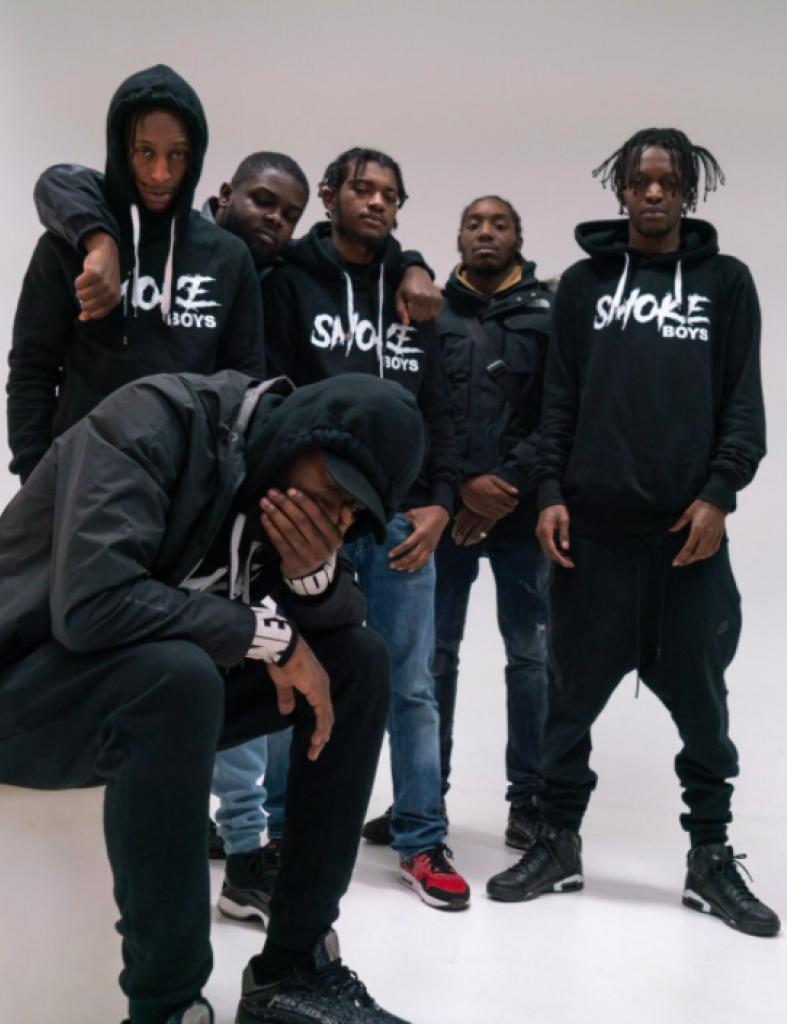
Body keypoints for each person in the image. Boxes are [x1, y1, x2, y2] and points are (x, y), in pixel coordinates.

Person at [0, 369, 425, 1024]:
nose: (334, 516)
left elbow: (342, 614)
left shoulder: (286, 491)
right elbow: (92, 605)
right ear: (301, 434)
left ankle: (293, 969)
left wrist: (310, 578)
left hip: (140, 701)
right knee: (178, 674)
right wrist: (266, 635)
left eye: (354, 511)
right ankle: (165, 1005)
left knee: (358, 662)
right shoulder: (153, 422)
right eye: (334, 487)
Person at [29, 143, 442, 922]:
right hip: (122, 468)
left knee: (337, 654)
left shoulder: (264, 276)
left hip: (233, 466)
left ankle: (270, 883)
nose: (274, 220)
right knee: (207, 654)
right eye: (262, 202)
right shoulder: (154, 240)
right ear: (221, 193)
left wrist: (308, 566)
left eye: (287, 213)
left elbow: (255, 372)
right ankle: (187, 923)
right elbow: (62, 189)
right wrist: (101, 241)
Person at [486, 128, 781, 939]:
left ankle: (710, 859)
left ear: (689, 191)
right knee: (566, 707)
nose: (654, 193)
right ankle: (557, 842)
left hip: (687, 545)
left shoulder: (726, 282)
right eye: (641, 181)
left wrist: (719, 494)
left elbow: (743, 405)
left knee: (706, 715)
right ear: (620, 189)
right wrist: (549, 492)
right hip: (591, 544)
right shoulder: (583, 285)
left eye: (669, 181)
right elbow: (558, 404)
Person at [263, 147, 469, 911]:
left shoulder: (416, 296)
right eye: (363, 189)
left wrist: (442, 501)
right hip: (311, 513)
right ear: (329, 196)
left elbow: (441, 408)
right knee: (287, 671)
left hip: (400, 521)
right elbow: (272, 392)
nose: (377, 202)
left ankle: (422, 838)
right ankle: (280, 833)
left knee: (412, 683)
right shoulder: (289, 282)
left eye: (390, 194)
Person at [6, 64, 264, 485]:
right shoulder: (66, 248)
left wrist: (221, 489)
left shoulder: (229, 258)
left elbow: (246, 387)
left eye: (176, 154)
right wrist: (36, 479)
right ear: (121, 150)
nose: (160, 174)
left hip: (188, 493)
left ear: (195, 156)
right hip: (81, 483)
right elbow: (32, 371)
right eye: (145, 152)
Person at [428, 195, 552, 851]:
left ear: (517, 239)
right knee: (433, 658)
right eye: (474, 223)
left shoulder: (547, 314)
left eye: (499, 224)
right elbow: (422, 408)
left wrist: (503, 486)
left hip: (521, 514)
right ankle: (424, 800)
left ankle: (529, 802)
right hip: (446, 514)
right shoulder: (430, 311)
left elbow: (561, 413)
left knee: (530, 658)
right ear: (458, 237)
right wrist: (462, 488)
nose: (485, 232)